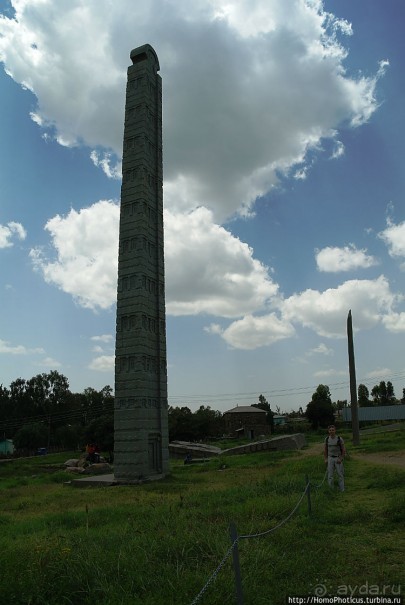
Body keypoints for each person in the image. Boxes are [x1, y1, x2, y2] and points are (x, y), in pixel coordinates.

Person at [324, 425, 346, 492]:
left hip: (338, 458)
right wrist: (325, 459)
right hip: (330, 458)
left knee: (340, 474)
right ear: (328, 431)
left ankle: (342, 489)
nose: (331, 431)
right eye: (330, 430)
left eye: (333, 430)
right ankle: (331, 489)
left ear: (335, 430)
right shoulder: (327, 439)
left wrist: (341, 458)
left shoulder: (339, 439)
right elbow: (325, 450)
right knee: (330, 475)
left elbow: (343, 450)